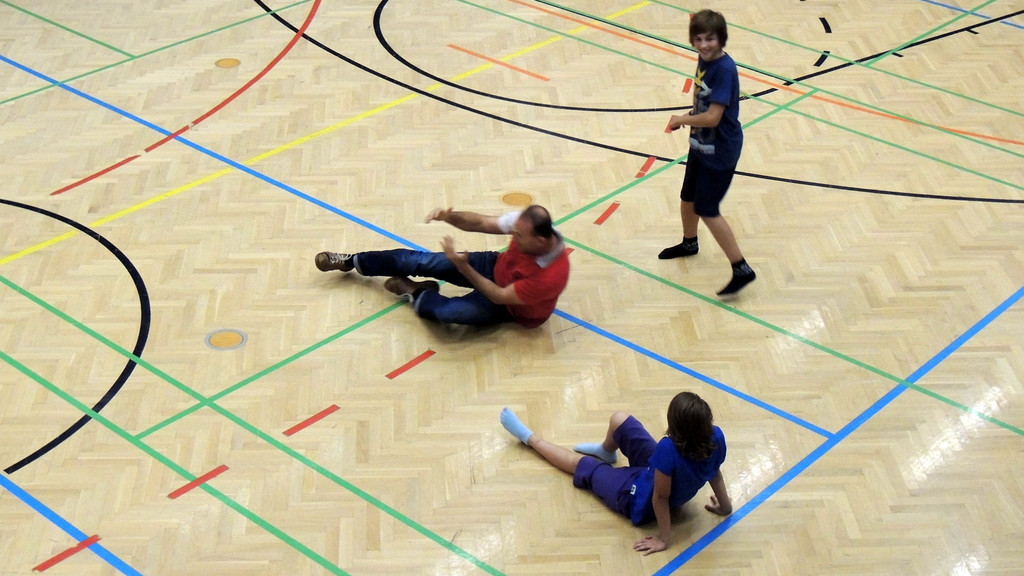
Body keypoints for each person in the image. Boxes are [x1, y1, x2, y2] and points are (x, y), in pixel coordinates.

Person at [499, 391, 732, 555]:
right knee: (620, 420)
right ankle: (606, 451)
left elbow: (660, 498)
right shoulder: (716, 436)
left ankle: (530, 439)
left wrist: (664, 539)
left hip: (637, 498)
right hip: (658, 475)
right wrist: (725, 506)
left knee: (583, 464)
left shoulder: (668, 449)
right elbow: (715, 472)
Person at [315, 205, 570, 328]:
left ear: (540, 241)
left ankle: (415, 291)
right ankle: (350, 261)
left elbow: (498, 295)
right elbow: (481, 223)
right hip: (495, 266)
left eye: (519, 236)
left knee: (451, 313)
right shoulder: (526, 226)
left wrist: (463, 266)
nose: (513, 236)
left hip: (510, 307)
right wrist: (449, 217)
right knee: (420, 260)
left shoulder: (551, 276)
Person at [661, 9, 756, 297]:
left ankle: (741, 268)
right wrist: (691, 118)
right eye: (699, 39)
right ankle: (689, 243)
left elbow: (714, 117)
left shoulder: (724, 69)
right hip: (701, 144)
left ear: (721, 39)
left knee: (707, 209)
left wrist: (682, 119)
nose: (704, 45)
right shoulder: (705, 58)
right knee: (688, 198)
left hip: (720, 151)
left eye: (710, 39)